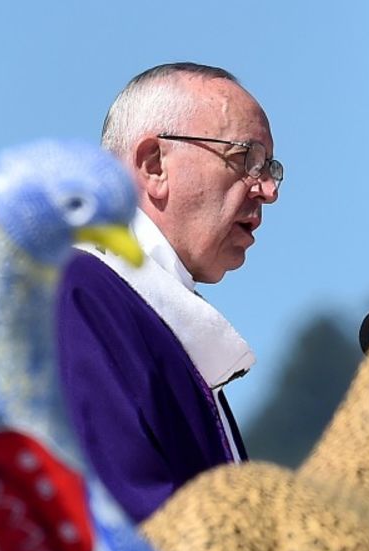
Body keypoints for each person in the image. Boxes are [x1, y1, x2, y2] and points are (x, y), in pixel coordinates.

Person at [56, 62, 282, 523]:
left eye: (271, 167)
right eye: (245, 159)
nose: (268, 190)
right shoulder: (79, 297)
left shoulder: (145, 315)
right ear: (154, 165)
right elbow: (126, 535)